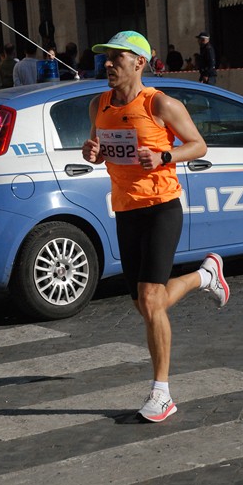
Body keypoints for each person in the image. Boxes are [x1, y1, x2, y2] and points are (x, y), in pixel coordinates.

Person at [82, 30, 230, 423]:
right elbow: (98, 149)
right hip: (126, 210)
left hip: (162, 207)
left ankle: (161, 393)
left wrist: (165, 153)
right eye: (106, 57)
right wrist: (92, 151)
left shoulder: (161, 103)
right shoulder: (99, 104)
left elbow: (198, 145)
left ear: (139, 63)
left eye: (118, 57)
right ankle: (204, 277)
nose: (108, 64)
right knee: (147, 303)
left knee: (150, 301)